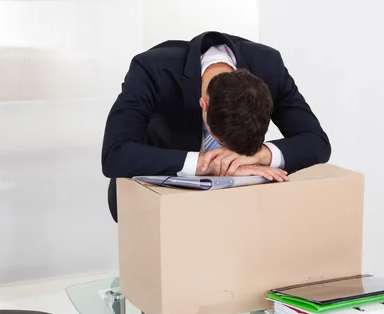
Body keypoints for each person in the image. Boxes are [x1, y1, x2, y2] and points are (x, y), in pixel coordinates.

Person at [102, 31, 331, 221]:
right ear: (205, 104)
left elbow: (317, 141)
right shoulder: (152, 69)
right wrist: (206, 164)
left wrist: (259, 155)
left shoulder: (269, 67)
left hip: (238, 212)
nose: (227, 155)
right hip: (156, 205)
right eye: (222, 145)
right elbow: (115, 154)